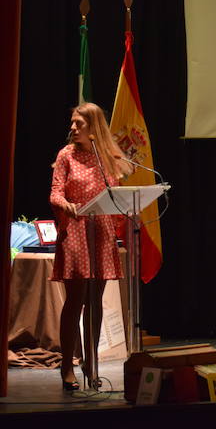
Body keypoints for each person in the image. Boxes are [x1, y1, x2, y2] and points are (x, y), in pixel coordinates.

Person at [49, 103, 131, 391]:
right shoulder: (65, 156)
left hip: (101, 232)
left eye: (79, 124)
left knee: (95, 302)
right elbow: (55, 192)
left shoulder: (105, 156)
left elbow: (117, 191)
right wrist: (66, 205)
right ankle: (67, 366)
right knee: (76, 300)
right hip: (76, 230)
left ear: (94, 128)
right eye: (72, 123)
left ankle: (91, 361)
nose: (72, 128)